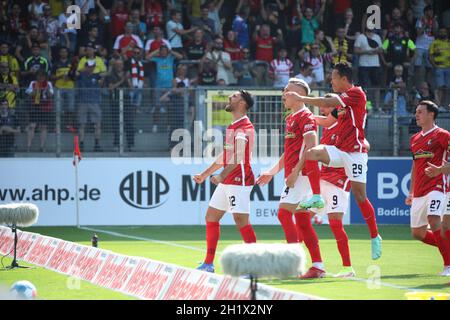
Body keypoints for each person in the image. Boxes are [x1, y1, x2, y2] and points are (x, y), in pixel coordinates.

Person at [283, 62, 382, 260]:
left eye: (334, 78)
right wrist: (304, 116)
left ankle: (374, 236)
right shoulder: (341, 105)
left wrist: (301, 98)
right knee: (312, 152)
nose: (331, 81)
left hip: (355, 153)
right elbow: (327, 121)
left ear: (344, 79)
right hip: (338, 151)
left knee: (360, 195)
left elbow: (328, 103)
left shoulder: (356, 94)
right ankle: (317, 196)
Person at [256, 78, 325, 279]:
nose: (283, 94)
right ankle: (318, 266)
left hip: (303, 175)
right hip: (297, 173)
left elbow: (311, 148)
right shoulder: (291, 118)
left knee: (284, 214)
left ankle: (292, 264)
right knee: (302, 222)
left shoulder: (306, 117)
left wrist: (295, 172)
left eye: (287, 90)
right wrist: (272, 171)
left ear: (297, 92)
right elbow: (290, 152)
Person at [194, 90, 256, 273]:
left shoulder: (244, 127)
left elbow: (237, 157)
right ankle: (208, 264)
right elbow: (227, 155)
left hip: (240, 179)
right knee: (211, 218)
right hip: (229, 179)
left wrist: (221, 175)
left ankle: (254, 267)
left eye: (235, 96)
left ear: (243, 104)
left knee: (241, 221)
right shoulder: (233, 126)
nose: (230, 97)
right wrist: (205, 174)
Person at [405, 100, 450, 276]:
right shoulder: (414, 139)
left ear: (431, 114)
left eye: (420, 112)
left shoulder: (443, 135)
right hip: (420, 190)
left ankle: (448, 265)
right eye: (416, 112)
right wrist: (411, 190)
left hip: (438, 185)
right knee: (418, 233)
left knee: (434, 219)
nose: (416, 115)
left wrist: (439, 170)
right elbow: (415, 166)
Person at [77, 59, 104, 152]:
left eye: (92, 66)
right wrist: (83, 70)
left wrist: (111, 65)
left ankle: (97, 145)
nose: (91, 68)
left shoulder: (96, 76)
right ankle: (81, 145)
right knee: (82, 124)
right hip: (83, 102)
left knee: (97, 124)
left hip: (94, 102)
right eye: (89, 66)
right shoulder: (80, 75)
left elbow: (105, 74)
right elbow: (73, 74)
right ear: (85, 66)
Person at [25, 70, 54, 152]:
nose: (41, 78)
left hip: (45, 107)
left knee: (43, 127)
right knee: (32, 126)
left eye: (42, 76)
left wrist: (47, 89)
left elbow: (51, 95)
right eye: (39, 76)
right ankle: (28, 146)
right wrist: (36, 89)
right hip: (35, 106)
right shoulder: (33, 83)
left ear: (45, 77)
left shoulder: (49, 84)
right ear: (36, 76)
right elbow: (29, 94)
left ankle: (42, 147)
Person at [429, 28, 450, 107]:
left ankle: (446, 105)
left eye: (444, 32)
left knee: (447, 88)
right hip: (439, 68)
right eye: (441, 32)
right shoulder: (434, 43)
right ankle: (439, 105)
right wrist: (434, 65)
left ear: (447, 33)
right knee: (440, 87)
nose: (442, 33)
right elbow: (430, 55)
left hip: (449, 68)